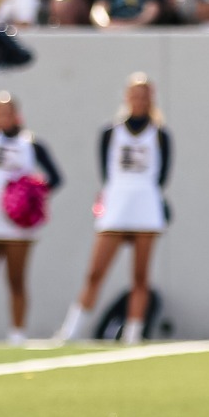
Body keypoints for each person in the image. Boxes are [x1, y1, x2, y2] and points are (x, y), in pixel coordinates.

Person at [57, 74, 170, 345]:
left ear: (151, 98)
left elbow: (163, 175)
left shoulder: (160, 134)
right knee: (95, 272)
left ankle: (133, 333)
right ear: (126, 96)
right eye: (135, 94)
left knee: (140, 276)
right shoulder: (110, 132)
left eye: (145, 94)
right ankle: (71, 331)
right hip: (117, 205)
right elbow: (105, 172)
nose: (139, 100)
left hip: (146, 206)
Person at [0, 68, 63, 347]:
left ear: (17, 116)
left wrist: (32, 194)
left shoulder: (31, 144)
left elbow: (56, 177)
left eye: (8, 112)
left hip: (17, 225)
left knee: (17, 281)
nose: (3, 117)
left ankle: (17, 334)